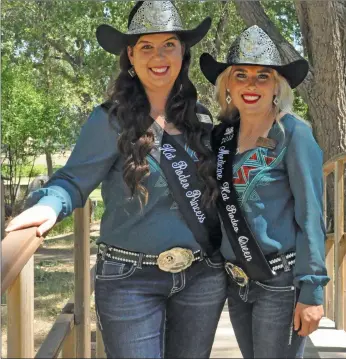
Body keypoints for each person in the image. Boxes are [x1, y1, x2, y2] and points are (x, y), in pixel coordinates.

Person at [6, 2, 227, 358]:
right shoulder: (108, 120)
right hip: (130, 280)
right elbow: (73, 181)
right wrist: (49, 204)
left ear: (183, 52)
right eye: (146, 46)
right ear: (130, 54)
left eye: (169, 44)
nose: (159, 56)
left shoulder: (199, 119)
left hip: (202, 277)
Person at [199, 25, 330, 358]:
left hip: (280, 283)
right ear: (227, 85)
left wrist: (312, 290)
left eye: (262, 77)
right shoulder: (221, 137)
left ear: (276, 86)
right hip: (236, 283)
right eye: (240, 75)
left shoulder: (294, 134)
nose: (251, 85)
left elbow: (311, 215)